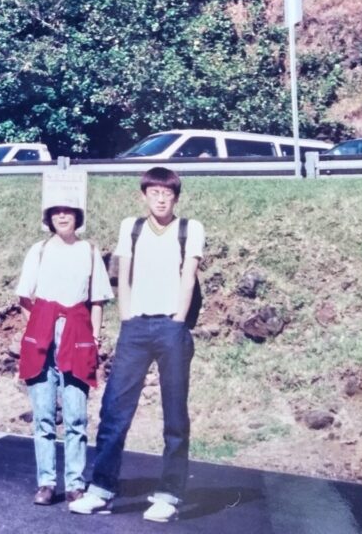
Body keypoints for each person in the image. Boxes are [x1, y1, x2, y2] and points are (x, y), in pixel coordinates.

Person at [70, 166, 204, 522]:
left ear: (175, 196)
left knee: (175, 415)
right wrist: (127, 317)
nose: (161, 198)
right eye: (154, 192)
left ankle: (169, 494)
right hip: (135, 328)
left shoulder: (190, 229)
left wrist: (177, 320)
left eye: (168, 193)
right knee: (115, 410)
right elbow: (122, 275)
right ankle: (100, 489)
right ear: (144, 195)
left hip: (171, 330)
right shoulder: (132, 227)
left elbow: (188, 278)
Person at [16, 186, 113, 506]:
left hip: (78, 336)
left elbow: (97, 299)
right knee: (43, 415)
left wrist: (94, 339)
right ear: (49, 218)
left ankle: (74, 482)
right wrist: (41, 325)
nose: (62, 216)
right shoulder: (39, 250)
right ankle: (46, 483)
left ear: (77, 217)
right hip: (43, 336)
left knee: (75, 416)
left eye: (68, 211)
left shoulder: (88, 251)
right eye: (56, 211)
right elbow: (24, 297)